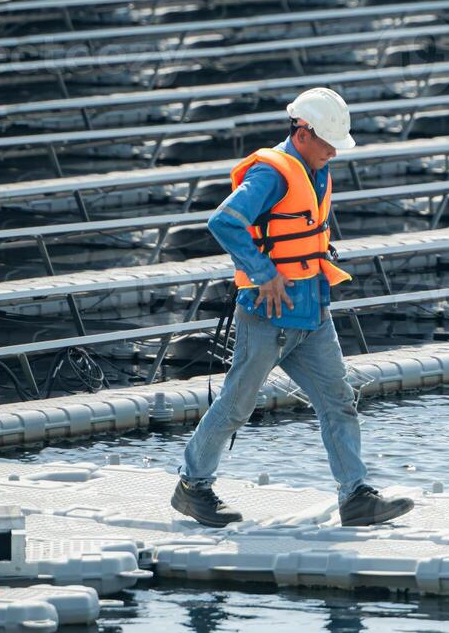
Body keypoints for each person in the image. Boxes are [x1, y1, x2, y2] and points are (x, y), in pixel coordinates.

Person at [171, 86, 414, 528]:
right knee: (236, 405)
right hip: (268, 316)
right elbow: (223, 221)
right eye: (328, 143)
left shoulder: (316, 167)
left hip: (312, 311)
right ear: (303, 132)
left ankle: (356, 495)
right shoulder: (272, 174)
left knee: (339, 402)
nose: (334, 153)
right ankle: (192, 486)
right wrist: (263, 274)